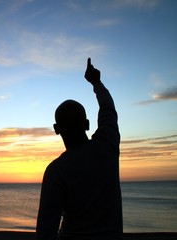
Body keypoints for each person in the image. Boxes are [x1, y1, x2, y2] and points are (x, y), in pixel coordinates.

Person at [36, 58, 123, 240]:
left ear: (56, 129)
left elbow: (46, 229)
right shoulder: (107, 146)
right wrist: (96, 83)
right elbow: (108, 109)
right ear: (87, 124)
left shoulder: (56, 171)